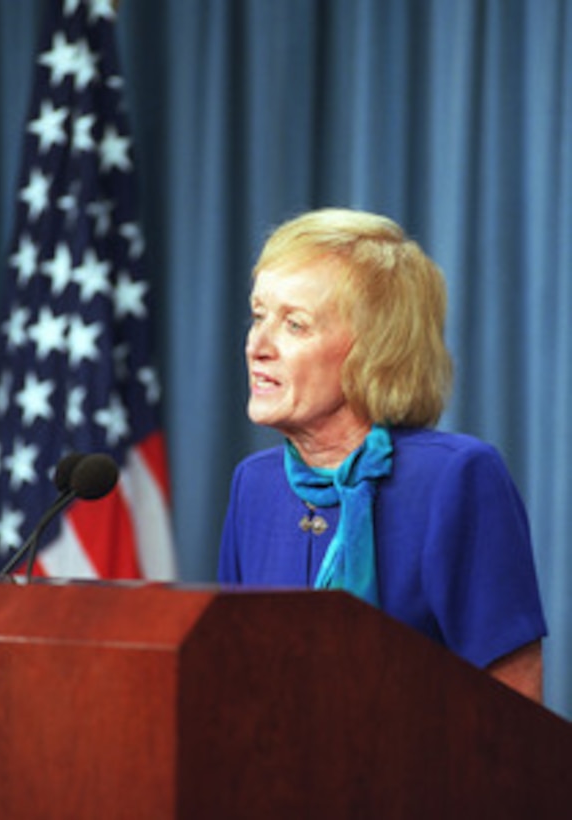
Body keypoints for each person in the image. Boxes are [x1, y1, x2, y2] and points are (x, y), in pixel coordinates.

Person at [218, 207, 547, 702]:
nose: (257, 345)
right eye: (259, 314)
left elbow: (513, 711)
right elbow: (231, 677)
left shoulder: (455, 479)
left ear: (373, 351)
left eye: (295, 324)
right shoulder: (254, 485)